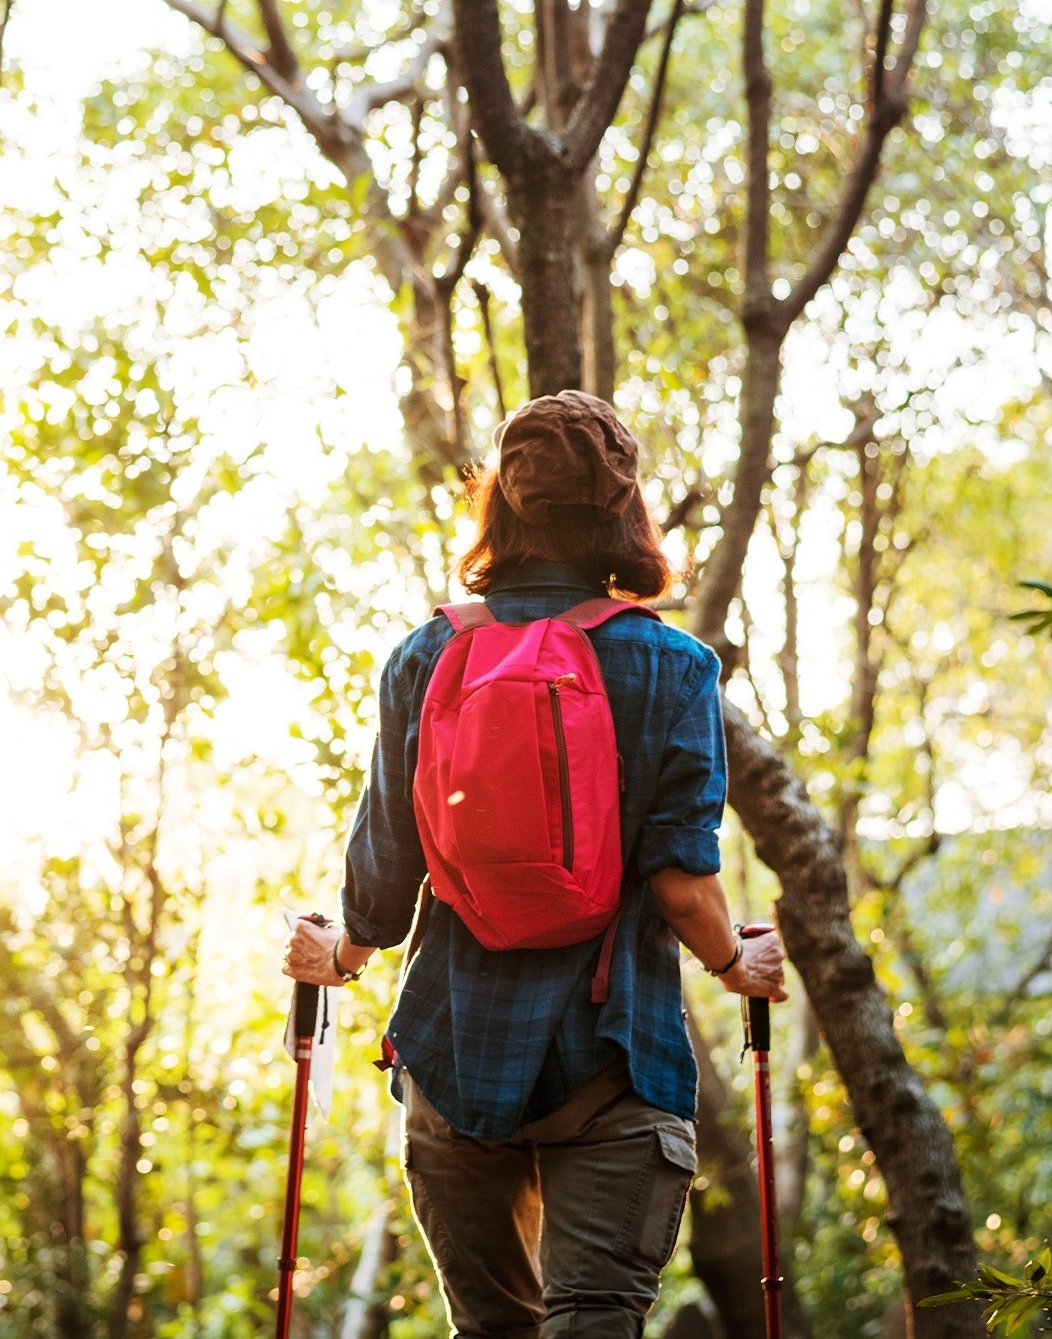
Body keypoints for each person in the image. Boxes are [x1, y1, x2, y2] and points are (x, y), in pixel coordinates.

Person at [284, 391, 788, 1337]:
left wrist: (337, 953)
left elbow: (384, 877)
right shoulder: (674, 667)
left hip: (452, 1056)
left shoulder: (426, 654)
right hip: (613, 1057)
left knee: (492, 1330)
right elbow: (683, 883)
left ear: (501, 506)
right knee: (594, 1321)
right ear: (622, 511)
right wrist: (736, 964)